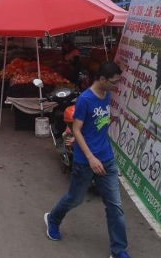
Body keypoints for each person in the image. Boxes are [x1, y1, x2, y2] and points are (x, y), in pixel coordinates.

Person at [44, 61, 130, 258]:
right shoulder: (85, 99)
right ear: (102, 79)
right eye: (114, 82)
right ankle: (53, 219)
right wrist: (91, 158)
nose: (116, 86)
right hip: (86, 161)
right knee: (74, 199)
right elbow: (76, 129)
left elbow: (96, 126)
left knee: (115, 206)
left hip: (106, 159)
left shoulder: (106, 94)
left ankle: (119, 250)